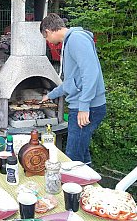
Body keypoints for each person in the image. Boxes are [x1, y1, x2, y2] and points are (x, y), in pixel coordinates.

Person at [40, 13, 106, 164]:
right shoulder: (70, 42)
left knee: (73, 157)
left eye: (45, 37)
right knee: (81, 152)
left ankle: (73, 186)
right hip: (84, 105)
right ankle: (90, 185)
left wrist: (84, 106)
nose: (47, 41)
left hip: (88, 107)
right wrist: (50, 95)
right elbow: (72, 82)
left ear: (48, 31)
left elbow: (91, 73)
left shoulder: (77, 39)